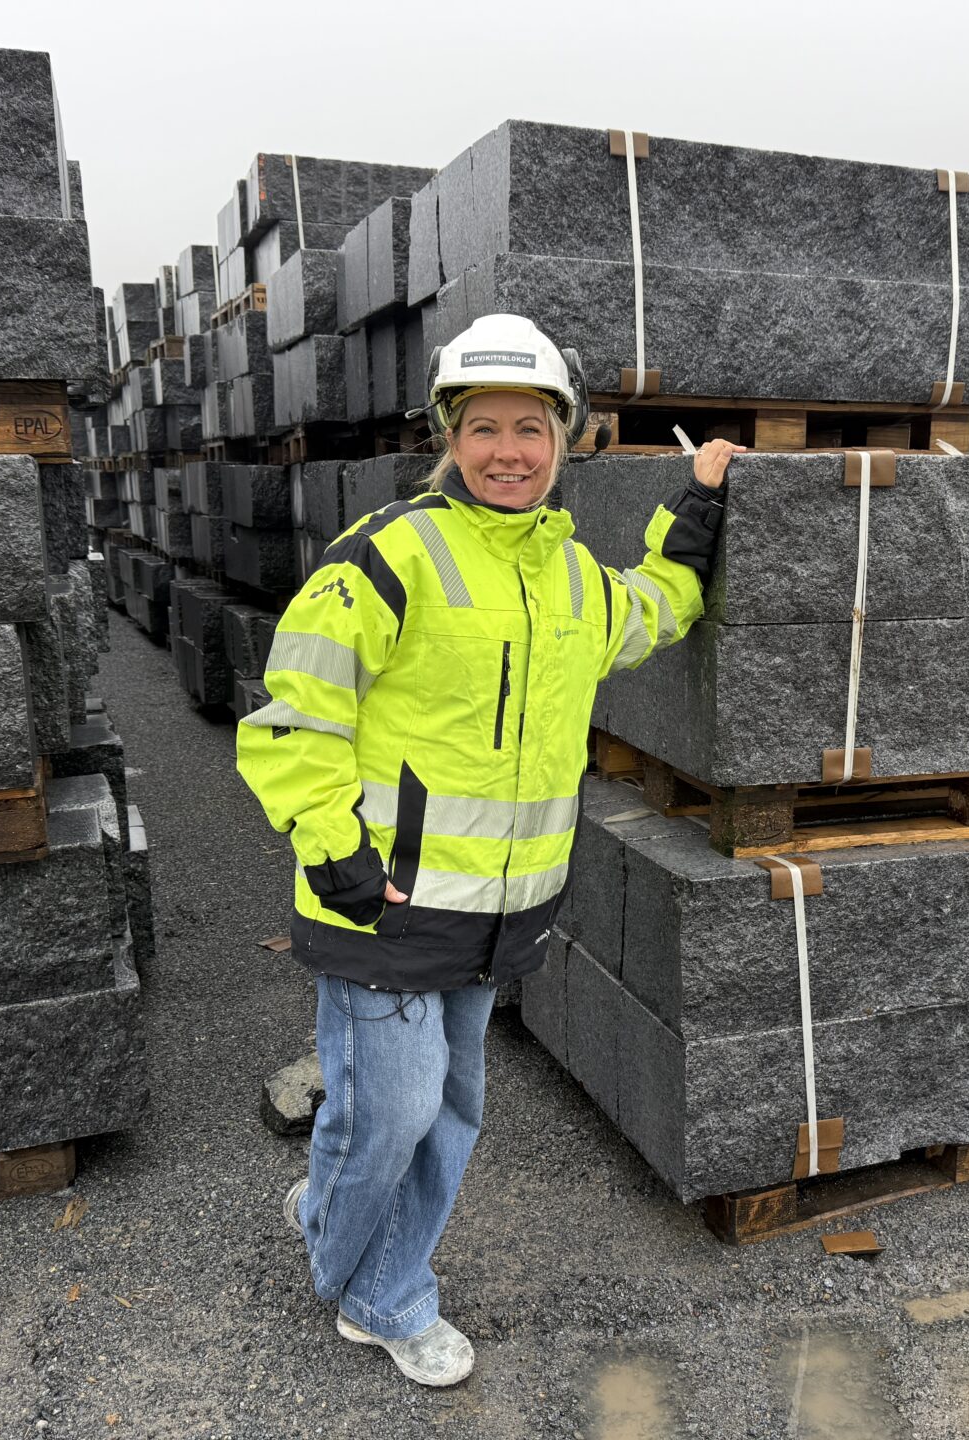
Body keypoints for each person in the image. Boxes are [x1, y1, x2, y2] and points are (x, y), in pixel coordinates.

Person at [236, 313, 737, 1387]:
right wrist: (337, 855)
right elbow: (290, 719)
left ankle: (328, 1214)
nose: (509, 451)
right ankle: (377, 1293)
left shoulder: (569, 580)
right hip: (383, 900)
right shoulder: (386, 555)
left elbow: (656, 608)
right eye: (484, 429)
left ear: (567, 440)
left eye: (531, 428)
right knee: (399, 1113)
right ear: (448, 439)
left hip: (502, 913)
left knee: (438, 1107)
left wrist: (696, 504)